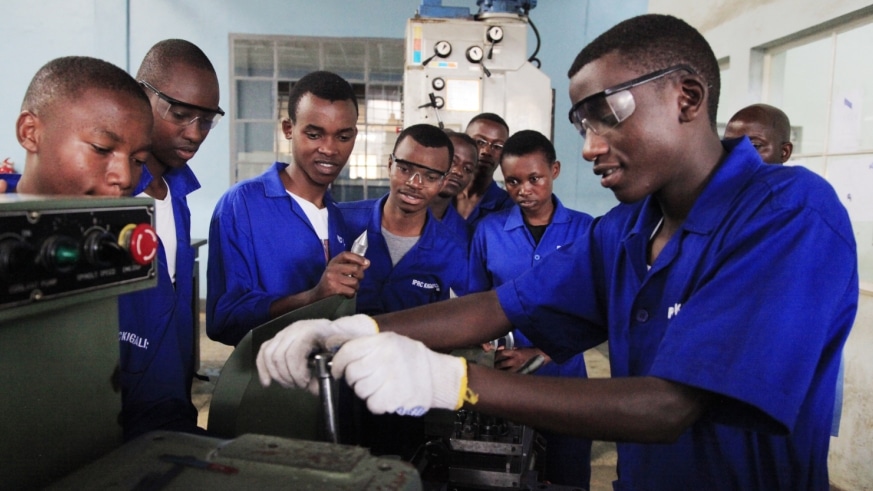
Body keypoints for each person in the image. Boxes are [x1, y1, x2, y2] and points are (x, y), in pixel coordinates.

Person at [256, 14, 857, 490]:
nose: (592, 147)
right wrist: (358, 328)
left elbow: (668, 406)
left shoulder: (788, 214)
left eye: (608, 117)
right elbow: (499, 305)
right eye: (581, 126)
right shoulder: (626, 232)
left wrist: (451, 381)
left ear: (687, 97)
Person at [467, 129, 593, 488]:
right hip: (503, 380)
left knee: (566, 474)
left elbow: (594, 312)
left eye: (534, 178)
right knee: (506, 472)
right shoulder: (488, 232)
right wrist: (485, 345)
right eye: (513, 181)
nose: (524, 189)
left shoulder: (586, 231)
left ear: (554, 170)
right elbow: (475, 303)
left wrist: (541, 353)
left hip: (566, 381)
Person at [207, 71, 369, 346]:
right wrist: (311, 297)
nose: (329, 149)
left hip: (326, 380)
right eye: (315, 134)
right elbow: (223, 321)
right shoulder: (243, 204)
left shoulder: (340, 219)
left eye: (343, 137)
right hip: (264, 381)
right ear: (288, 129)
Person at [337, 123, 467, 459]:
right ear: (389, 164)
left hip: (403, 393)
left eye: (429, 175)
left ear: (443, 181)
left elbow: (449, 327)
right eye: (405, 168)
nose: (414, 183)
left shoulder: (451, 251)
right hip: (332, 387)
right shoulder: (342, 223)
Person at [117, 39, 223, 442]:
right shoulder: (115, 197)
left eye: (207, 120)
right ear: (142, 94)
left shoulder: (176, 194)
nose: (194, 133)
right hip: (116, 416)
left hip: (171, 408)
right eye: (180, 114)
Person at [14, 56, 152, 197]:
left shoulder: (140, 217)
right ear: (29, 132)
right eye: (101, 149)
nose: (125, 178)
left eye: (138, 160)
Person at [454, 113, 514, 228]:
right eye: (480, 142)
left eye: (497, 146)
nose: (487, 151)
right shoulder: (441, 196)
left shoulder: (508, 206)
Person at [429, 130, 478, 243]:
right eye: (452, 162)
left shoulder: (465, 235)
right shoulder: (385, 214)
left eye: (467, 169)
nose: (458, 172)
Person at [723, 103, 793, 164]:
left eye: (754, 146)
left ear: (784, 152)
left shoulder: (799, 178)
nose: (735, 155)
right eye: (728, 146)